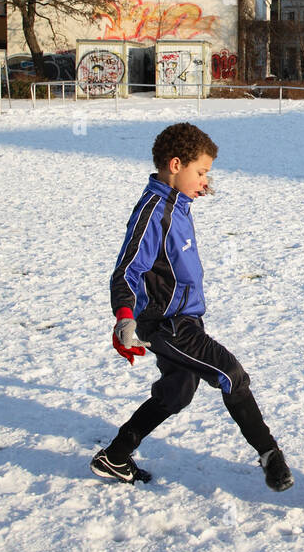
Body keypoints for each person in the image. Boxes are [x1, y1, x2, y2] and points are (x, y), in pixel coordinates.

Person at [91, 122, 293, 491]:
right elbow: (127, 270)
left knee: (178, 390)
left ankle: (115, 456)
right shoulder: (154, 212)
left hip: (185, 319)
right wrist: (124, 318)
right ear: (175, 164)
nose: (205, 181)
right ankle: (270, 454)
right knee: (231, 373)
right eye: (200, 172)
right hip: (168, 324)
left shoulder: (177, 205)